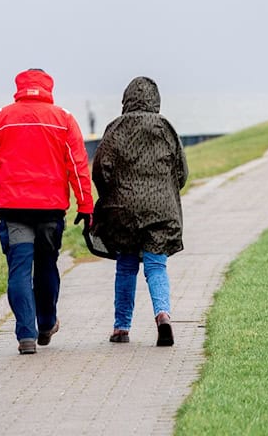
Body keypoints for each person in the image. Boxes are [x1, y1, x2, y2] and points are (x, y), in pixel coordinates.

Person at [0, 68, 94, 355]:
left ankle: (25, 336)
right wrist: (85, 205)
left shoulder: (0, 118)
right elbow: (77, 166)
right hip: (50, 210)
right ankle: (47, 323)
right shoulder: (63, 119)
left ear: (19, 87)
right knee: (46, 265)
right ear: (48, 87)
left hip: (14, 209)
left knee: (19, 269)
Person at [91, 77, 188, 347]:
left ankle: (121, 327)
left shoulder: (116, 127)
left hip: (123, 209)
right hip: (160, 207)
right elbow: (182, 171)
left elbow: (100, 168)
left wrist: (108, 195)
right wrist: (168, 189)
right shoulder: (165, 127)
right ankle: (163, 315)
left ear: (126, 99)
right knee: (156, 265)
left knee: (126, 266)